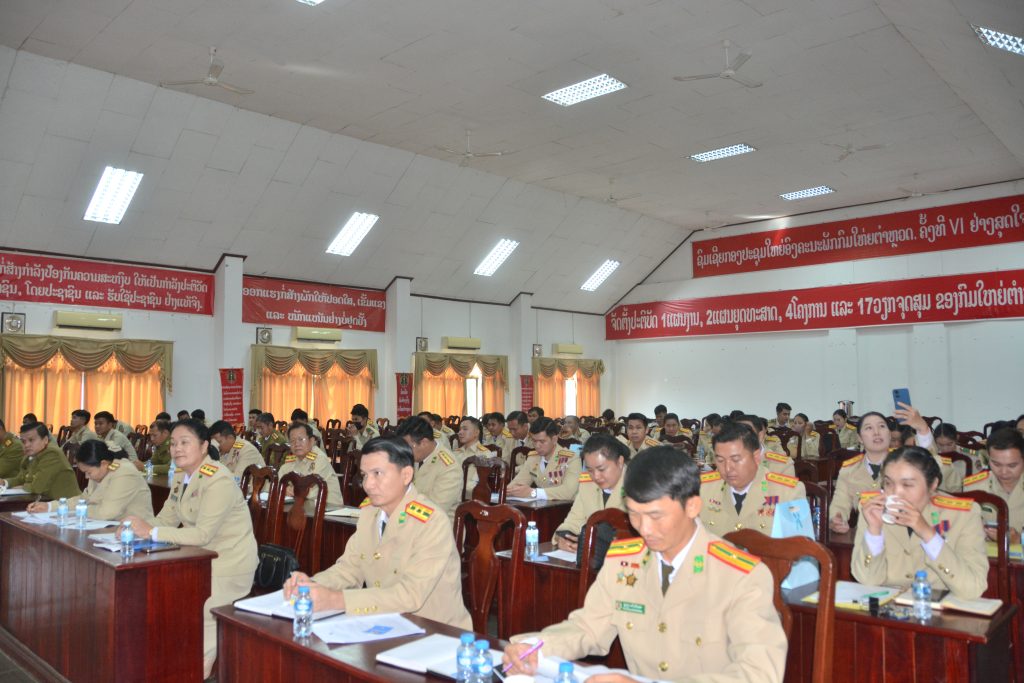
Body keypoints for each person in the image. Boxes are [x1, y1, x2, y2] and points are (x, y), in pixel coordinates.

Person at [502, 446, 787, 682]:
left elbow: (759, 673)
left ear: (692, 506)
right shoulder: (623, 561)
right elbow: (588, 627)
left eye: (656, 516)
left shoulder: (740, 575)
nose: (645, 529)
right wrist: (535, 646)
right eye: (635, 515)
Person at [283, 438, 472, 627]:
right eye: (364, 475)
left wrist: (336, 600)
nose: (368, 484)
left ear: (406, 475)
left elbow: (410, 595)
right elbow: (349, 568)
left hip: (435, 631)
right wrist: (311, 585)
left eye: (377, 474)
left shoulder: (431, 521)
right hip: (388, 623)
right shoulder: (369, 513)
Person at [124, 419, 258, 678]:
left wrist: (149, 532)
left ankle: (201, 669)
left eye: (185, 442)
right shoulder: (180, 474)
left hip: (228, 564)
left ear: (204, 446)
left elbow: (202, 534)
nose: (177, 449)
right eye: (173, 443)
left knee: (196, 607)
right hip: (197, 559)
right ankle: (171, 662)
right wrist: (135, 529)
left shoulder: (217, 478)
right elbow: (166, 519)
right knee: (160, 598)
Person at [851, 446, 988, 599]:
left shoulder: (963, 514)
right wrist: (874, 531)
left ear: (933, 485)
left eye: (907, 485)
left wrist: (928, 533)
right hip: (888, 605)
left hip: (939, 609)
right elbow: (867, 580)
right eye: (888, 483)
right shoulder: (873, 510)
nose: (896, 492)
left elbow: (972, 589)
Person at [830, 405, 955, 534]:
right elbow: (840, 502)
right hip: (869, 536)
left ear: (889, 435)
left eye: (881, 426)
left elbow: (935, 464)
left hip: (909, 535)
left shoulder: (906, 459)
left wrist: (923, 429)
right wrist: (837, 518)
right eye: (869, 428)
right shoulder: (849, 470)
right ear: (860, 438)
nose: (876, 432)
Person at [700, 421, 806, 536]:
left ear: (756, 457)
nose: (728, 468)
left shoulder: (789, 492)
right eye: (720, 460)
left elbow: (801, 544)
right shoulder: (703, 488)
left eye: (736, 459)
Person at [28, 440, 152, 520]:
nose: (87, 477)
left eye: (88, 472)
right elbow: (84, 499)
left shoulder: (125, 473)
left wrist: (69, 511)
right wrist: (49, 506)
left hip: (135, 534)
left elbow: (106, 513)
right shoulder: (101, 470)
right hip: (109, 528)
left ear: (103, 463)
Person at [553, 434, 629, 551]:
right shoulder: (588, 484)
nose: (596, 476)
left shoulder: (637, 486)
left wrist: (594, 547)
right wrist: (563, 538)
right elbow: (574, 520)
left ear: (620, 462)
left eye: (601, 469)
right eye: (590, 470)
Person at [964, 428, 1024, 544]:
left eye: (1012, 465)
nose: (1004, 472)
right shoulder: (974, 487)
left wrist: (1019, 540)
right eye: (996, 464)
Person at [396, 417, 462, 518]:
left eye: (408, 447)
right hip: (409, 517)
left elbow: (434, 510)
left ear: (424, 443)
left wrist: (400, 509)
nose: (406, 452)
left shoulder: (449, 468)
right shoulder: (417, 456)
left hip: (435, 523)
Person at [507, 417, 582, 501]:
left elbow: (567, 492)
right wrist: (508, 491)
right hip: (543, 507)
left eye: (542, 441)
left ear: (554, 439)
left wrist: (533, 493)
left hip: (567, 507)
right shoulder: (533, 458)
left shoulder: (571, 459)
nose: (537, 446)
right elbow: (518, 482)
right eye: (534, 441)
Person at [0, 423, 79, 499]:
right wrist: (4, 482)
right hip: (42, 501)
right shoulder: (31, 454)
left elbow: (37, 488)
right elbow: (21, 478)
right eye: (23, 441)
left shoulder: (52, 453)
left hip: (66, 504)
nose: (26, 445)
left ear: (45, 440)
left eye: (31, 440)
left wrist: (18, 487)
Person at [277, 422, 344, 510]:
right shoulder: (292, 460)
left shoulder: (320, 459)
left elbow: (312, 491)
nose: (296, 444)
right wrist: (285, 488)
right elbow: (280, 482)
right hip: (305, 508)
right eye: (292, 441)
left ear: (312, 441)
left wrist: (291, 490)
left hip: (330, 510)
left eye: (301, 439)